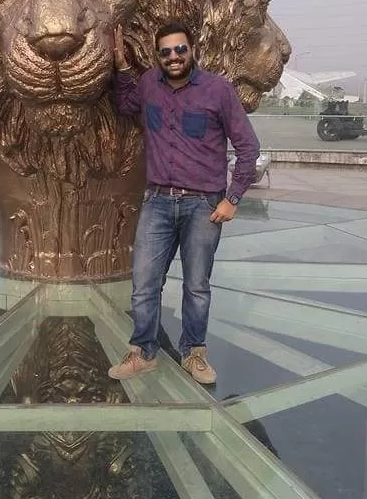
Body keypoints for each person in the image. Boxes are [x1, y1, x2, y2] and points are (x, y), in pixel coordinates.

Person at [109, 19, 260, 383]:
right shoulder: (148, 85)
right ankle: (142, 352)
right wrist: (120, 65)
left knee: (196, 285)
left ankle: (194, 354)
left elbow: (248, 147)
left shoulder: (218, 90)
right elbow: (126, 103)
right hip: (157, 201)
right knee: (145, 282)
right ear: (157, 56)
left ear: (192, 50)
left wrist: (232, 198)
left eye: (180, 49)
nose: (173, 57)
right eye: (165, 52)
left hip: (203, 207)